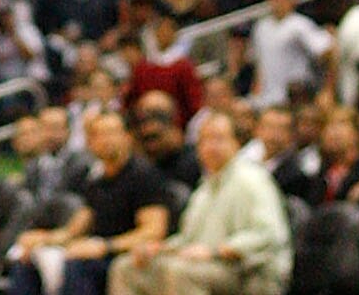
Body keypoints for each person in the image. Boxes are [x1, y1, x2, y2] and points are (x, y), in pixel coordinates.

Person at [112, 109, 289, 295]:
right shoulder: (205, 187)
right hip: (208, 264)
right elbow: (190, 240)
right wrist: (161, 248)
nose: (210, 147)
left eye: (218, 139)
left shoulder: (252, 179)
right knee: (126, 267)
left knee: (180, 272)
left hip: (249, 270)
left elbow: (268, 235)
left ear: (236, 142)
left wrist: (217, 251)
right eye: (204, 140)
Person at [8, 106, 170, 295]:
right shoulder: (96, 179)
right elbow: (77, 227)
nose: (105, 140)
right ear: (89, 143)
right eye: (98, 135)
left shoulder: (144, 175)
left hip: (127, 255)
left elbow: (154, 231)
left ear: (127, 137)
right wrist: (45, 240)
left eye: (111, 133)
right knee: (26, 262)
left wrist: (105, 246)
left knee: (78, 265)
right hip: (95, 250)